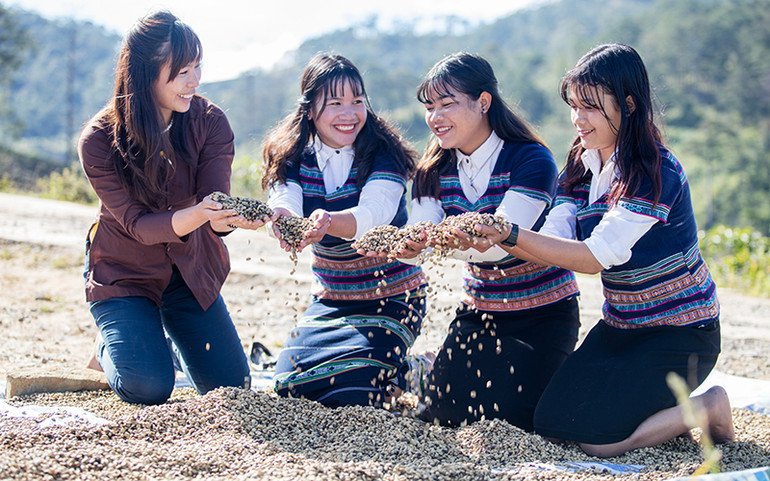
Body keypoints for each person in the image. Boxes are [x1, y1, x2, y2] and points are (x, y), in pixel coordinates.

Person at [473, 43, 734, 456]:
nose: (578, 119)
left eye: (591, 107)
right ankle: (662, 412)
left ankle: (709, 406)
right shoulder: (580, 165)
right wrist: (488, 238)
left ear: (628, 106)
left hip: (682, 331)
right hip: (622, 326)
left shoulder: (655, 171)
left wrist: (507, 233)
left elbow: (593, 257)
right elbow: (556, 239)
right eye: (574, 106)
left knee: (600, 441)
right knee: (552, 423)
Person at [389, 52, 581, 431]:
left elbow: (498, 243)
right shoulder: (432, 170)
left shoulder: (531, 159)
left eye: (447, 104)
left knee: (518, 420)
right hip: (481, 311)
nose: (435, 117)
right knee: (441, 415)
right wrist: (408, 248)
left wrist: (433, 243)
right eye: (429, 107)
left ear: (483, 102)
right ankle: (429, 367)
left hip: (543, 312)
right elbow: (420, 233)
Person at [79, 11, 261, 405]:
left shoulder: (210, 122)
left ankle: (155, 341)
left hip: (190, 272)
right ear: (145, 73)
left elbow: (216, 208)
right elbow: (138, 225)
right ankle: (112, 343)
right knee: (148, 387)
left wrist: (233, 219)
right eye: (182, 72)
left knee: (233, 388)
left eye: (197, 67)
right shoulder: (99, 139)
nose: (194, 80)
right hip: (125, 274)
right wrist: (203, 212)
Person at [261, 53, 428, 408]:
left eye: (357, 101)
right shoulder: (291, 156)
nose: (349, 113)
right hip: (331, 298)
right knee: (290, 387)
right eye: (335, 103)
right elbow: (285, 199)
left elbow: (373, 214)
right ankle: (386, 369)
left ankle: (414, 370)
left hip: (392, 296)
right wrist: (285, 221)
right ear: (310, 110)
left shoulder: (384, 153)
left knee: (352, 395)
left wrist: (326, 223)